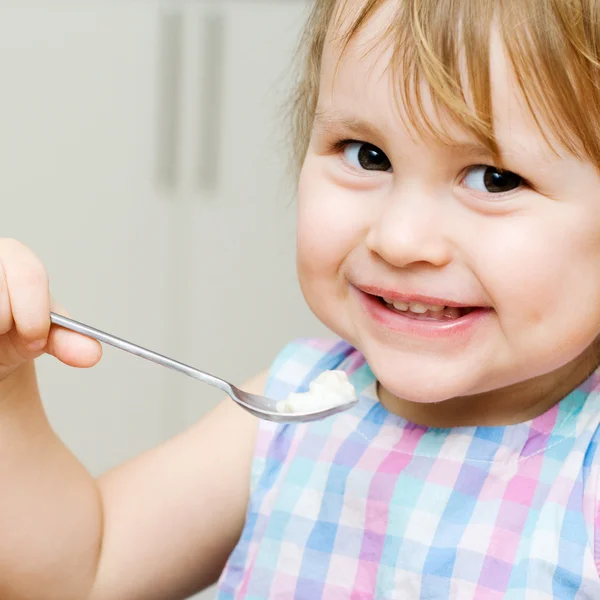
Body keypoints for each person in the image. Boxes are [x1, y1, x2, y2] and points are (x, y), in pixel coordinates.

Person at [3, 0, 600, 597]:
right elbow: (76, 576)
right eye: (368, 155)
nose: (398, 238)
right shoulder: (292, 412)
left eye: (494, 178)